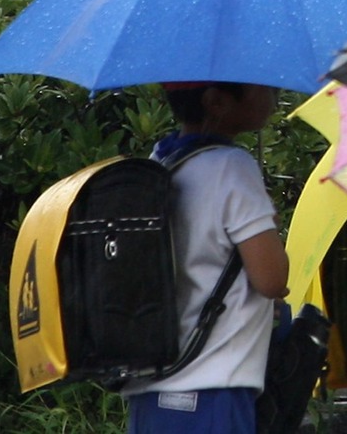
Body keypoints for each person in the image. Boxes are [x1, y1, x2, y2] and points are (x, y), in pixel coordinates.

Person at [123, 81, 289, 434]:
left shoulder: (161, 161)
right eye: (264, 88)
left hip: (151, 392)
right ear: (216, 101)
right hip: (213, 391)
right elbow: (273, 280)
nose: (274, 96)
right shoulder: (232, 166)